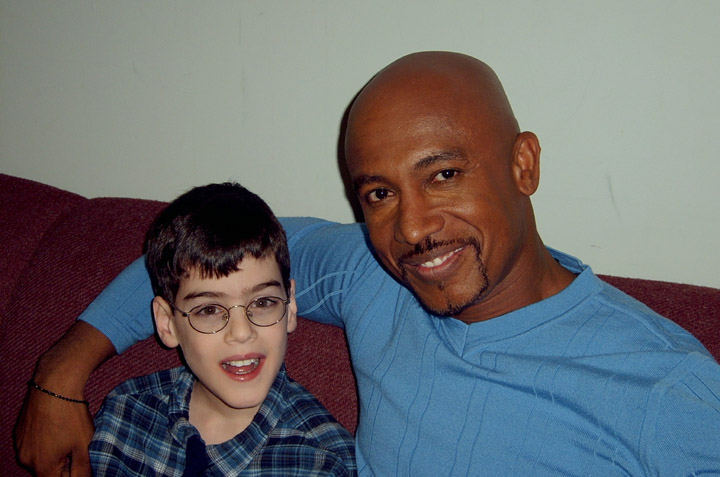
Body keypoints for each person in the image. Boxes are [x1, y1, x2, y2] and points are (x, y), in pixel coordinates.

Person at [16, 51, 720, 476]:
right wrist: (61, 371)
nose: (412, 227)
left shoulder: (667, 388)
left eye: (443, 174)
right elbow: (199, 257)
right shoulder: (373, 274)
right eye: (379, 193)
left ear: (523, 164)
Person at [88, 182, 356, 475]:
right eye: (209, 310)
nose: (241, 332)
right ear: (167, 323)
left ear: (290, 306)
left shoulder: (323, 462)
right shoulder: (126, 415)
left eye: (263, 302)